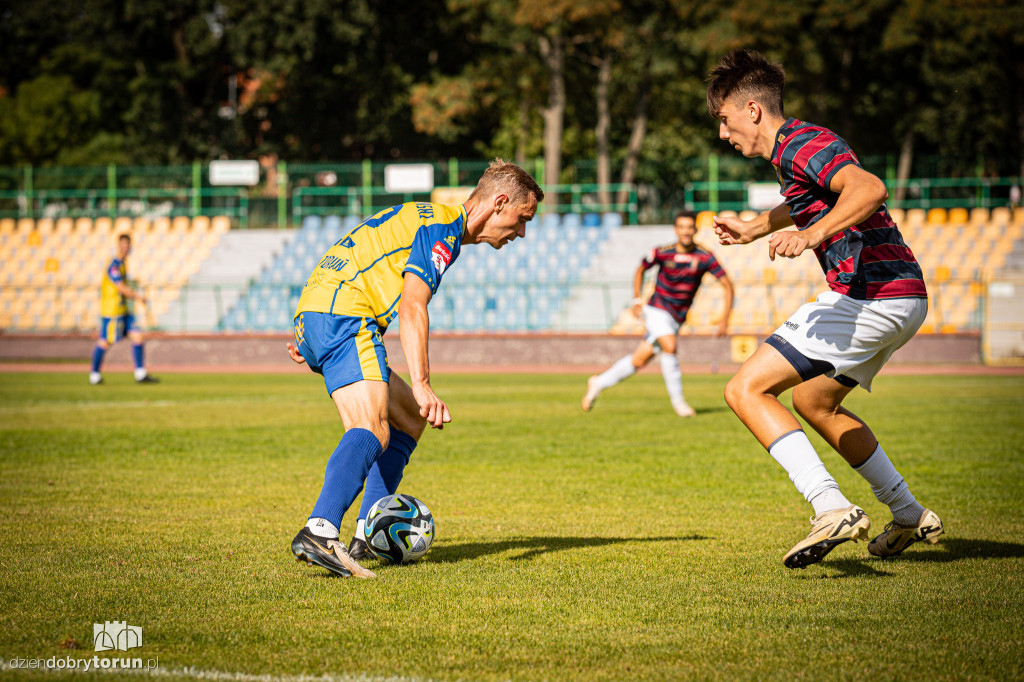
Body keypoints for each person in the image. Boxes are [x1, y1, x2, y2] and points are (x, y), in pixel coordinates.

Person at [707, 50, 942, 569]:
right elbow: (808, 197)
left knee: (744, 389)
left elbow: (868, 187)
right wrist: (753, 229)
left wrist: (810, 235)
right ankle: (906, 513)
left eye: (723, 121)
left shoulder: (801, 143)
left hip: (870, 295)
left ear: (751, 109)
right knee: (816, 404)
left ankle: (829, 505)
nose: (723, 134)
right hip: (901, 296)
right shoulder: (794, 152)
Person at [287, 159, 543, 578]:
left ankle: (367, 535)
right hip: (344, 316)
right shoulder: (442, 230)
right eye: (521, 218)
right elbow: (412, 305)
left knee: (406, 421)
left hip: (322, 311)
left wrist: (312, 326)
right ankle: (320, 530)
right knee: (371, 428)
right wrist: (422, 383)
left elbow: (350, 251)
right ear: (499, 203)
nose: (521, 232)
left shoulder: (423, 215)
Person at [582, 210, 734, 417]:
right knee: (669, 346)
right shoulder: (663, 252)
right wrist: (637, 299)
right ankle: (679, 403)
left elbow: (727, 285)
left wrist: (725, 319)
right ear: (676, 229)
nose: (686, 232)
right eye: (681, 227)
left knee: (639, 360)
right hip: (656, 309)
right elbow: (640, 269)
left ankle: (598, 383)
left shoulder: (704, 256)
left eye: (689, 227)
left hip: (677, 318)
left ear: (695, 230)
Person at [89, 233, 158, 385]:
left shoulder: (123, 264)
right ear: (119, 246)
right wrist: (138, 296)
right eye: (123, 245)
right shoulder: (114, 265)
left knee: (138, 337)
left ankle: (140, 373)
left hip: (124, 310)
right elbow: (120, 287)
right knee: (105, 342)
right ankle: (94, 375)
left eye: (128, 246)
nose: (125, 248)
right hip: (112, 311)